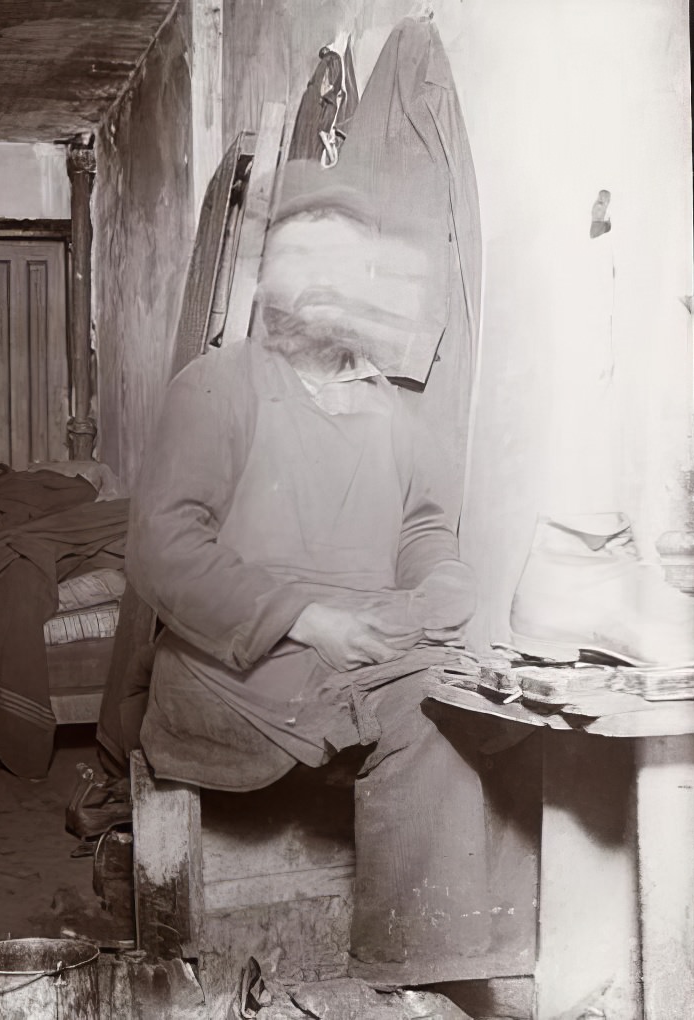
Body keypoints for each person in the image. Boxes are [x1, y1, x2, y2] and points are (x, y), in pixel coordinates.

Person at [126, 189, 525, 984]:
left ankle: (476, 960)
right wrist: (308, 619)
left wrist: (439, 580)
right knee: (424, 709)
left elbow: (422, 528)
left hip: (357, 655)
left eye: (340, 263)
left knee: (494, 703)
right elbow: (162, 548)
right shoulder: (215, 387)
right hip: (230, 667)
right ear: (263, 283)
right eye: (297, 259)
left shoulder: (394, 410)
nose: (319, 280)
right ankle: (408, 977)